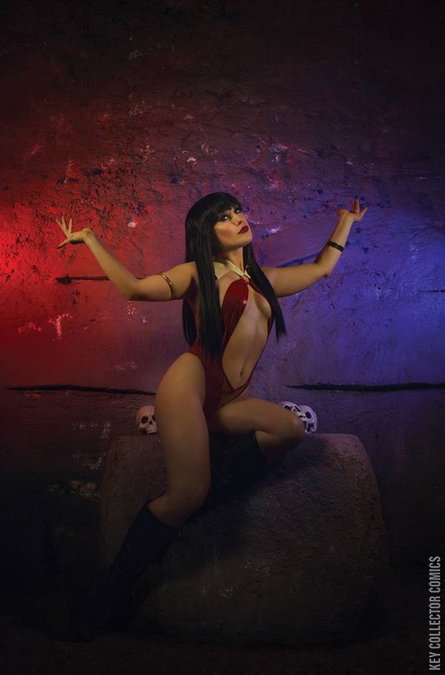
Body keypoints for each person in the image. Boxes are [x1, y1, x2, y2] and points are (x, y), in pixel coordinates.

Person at [56, 192, 367, 640]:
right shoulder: (197, 274)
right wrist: (90, 238)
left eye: (237, 210)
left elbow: (321, 269)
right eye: (224, 217)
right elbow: (134, 289)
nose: (238, 218)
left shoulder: (264, 279)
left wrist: (346, 223)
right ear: (207, 234)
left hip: (229, 400)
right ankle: (105, 598)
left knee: (288, 428)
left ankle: (185, 510)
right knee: (186, 492)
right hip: (190, 385)